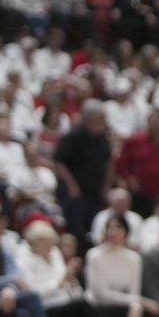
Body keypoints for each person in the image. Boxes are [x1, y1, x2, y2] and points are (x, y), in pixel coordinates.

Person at [84, 213, 159, 317]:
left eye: (117, 227)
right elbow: (101, 295)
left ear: (126, 231)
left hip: (120, 308)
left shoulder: (134, 258)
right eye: (109, 227)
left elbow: (134, 291)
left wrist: (136, 308)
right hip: (97, 309)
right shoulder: (94, 255)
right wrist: (139, 301)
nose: (112, 232)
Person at [54, 99, 112, 249]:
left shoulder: (102, 138)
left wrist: (106, 185)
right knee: (76, 229)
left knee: (93, 228)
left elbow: (108, 162)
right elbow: (59, 162)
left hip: (95, 192)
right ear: (89, 119)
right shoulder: (73, 137)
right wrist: (71, 185)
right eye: (99, 119)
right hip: (76, 194)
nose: (102, 122)